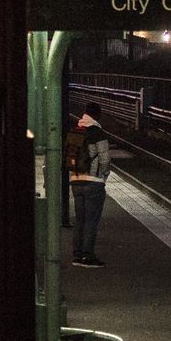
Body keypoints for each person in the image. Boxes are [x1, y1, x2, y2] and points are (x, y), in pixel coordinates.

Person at [70, 114, 111, 267]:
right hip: (93, 182)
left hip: (76, 181)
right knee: (91, 221)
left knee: (80, 220)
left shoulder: (75, 131)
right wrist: (103, 176)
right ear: (97, 117)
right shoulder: (98, 133)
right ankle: (88, 256)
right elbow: (105, 160)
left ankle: (77, 256)